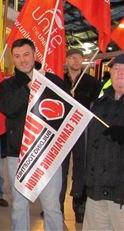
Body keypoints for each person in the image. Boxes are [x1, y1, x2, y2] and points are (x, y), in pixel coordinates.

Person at [0, 38, 64, 231]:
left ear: (35, 55)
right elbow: (7, 107)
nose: (22, 60)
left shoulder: (52, 81)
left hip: (49, 153)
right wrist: (29, 87)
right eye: (17, 56)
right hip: (18, 154)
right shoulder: (8, 85)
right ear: (13, 60)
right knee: (19, 205)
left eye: (26, 54)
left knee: (51, 206)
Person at [82, 54, 124, 230]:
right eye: (116, 68)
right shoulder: (98, 104)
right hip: (97, 191)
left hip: (121, 195)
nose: (119, 72)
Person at [60, 48, 101, 223]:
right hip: (61, 132)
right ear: (67, 60)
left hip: (82, 132)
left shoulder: (92, 83)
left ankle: (79, 206)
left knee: (80, 168)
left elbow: (98, 106)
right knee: (59, 170)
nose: (76, 61)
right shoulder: (59, 81)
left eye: (79, 58)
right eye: (72, 58)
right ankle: (56, 206)